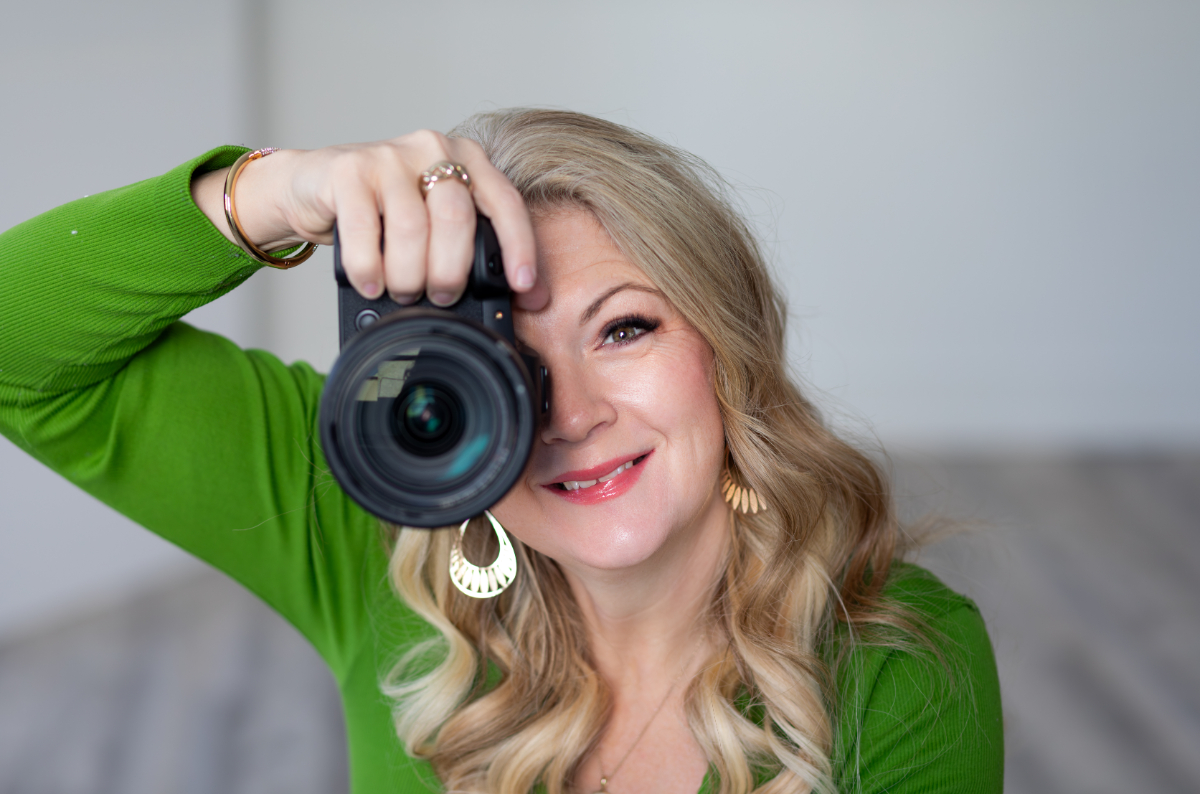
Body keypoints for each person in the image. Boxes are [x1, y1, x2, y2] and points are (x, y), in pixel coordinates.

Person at [0, 109, 1003, 794]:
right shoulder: (371, 528)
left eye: (624, 328)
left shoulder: (894, 663)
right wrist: (277, 192)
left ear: (727, 351)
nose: (567, 412)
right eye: (503, 360)